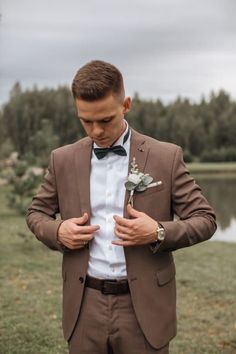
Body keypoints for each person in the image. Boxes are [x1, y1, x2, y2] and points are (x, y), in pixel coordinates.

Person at [26, 60, 217, 354]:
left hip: (143, 307)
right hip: (83, 304)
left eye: (105, 120)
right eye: (86, 121)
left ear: (126, 104)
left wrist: (157, 232)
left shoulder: (166, 157)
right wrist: (58, 230)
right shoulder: (61, 159)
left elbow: (205, 220)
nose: (96, 131)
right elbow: (36, 214)